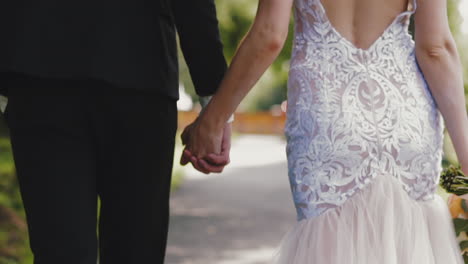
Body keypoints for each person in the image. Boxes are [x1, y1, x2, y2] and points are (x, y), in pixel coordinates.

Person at [181, 0, 467, 262]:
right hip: (405, 118)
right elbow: (436, 48)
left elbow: (268, 35)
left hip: (327, 113)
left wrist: (213, 120)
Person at [0, 0, 231, 263]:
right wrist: (215, 102)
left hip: (39, 70)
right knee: (134, 247)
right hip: (138, 71)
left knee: (62, 251)